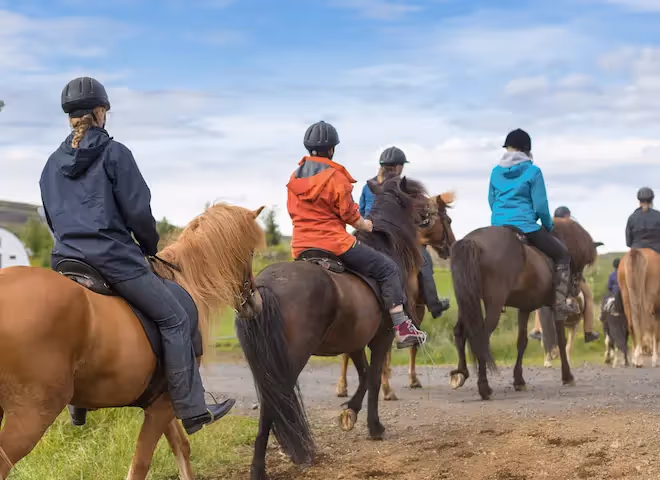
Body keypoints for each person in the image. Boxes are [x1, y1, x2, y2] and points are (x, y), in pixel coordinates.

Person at [39, 76, 233, 435]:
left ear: (69, 117)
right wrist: (148, 247)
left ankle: (77, 407)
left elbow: (51, 216)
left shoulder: (51, 163)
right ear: (101, 112)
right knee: (176, 315)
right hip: (113, 260)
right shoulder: (115, 154)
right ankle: (192, 409)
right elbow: (139, 212)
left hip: (66, 262)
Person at [286, 121, 427, 348]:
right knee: (388, 269)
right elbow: (349, 213)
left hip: (301, 246)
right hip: (334, 244)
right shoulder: (335, 176)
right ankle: (402, 328)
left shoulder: (295, 178)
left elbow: (292, 211)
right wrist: (365, 225)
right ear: (332, 149)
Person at [488, 128, 582, 323]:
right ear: (526, 149)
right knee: (563, 254)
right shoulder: (533, 171)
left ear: (508, 148)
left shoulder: (495, 172)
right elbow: (541, 206)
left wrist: (500, 218)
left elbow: (491, 200)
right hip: (526, 226)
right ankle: (560, 303)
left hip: (498, 227)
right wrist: (547, 226)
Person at [358, 146, 450, 319]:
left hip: (369, 236)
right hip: (396, 240)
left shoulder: (367, 186)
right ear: (399, 167)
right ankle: (434, 304)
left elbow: (362, 211)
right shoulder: (403, 186)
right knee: (425, 262)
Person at [625, 187, 660, 254]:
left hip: (636, 249)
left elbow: (628, 242)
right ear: (652, 200)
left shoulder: (632, 217)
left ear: (639, 201)